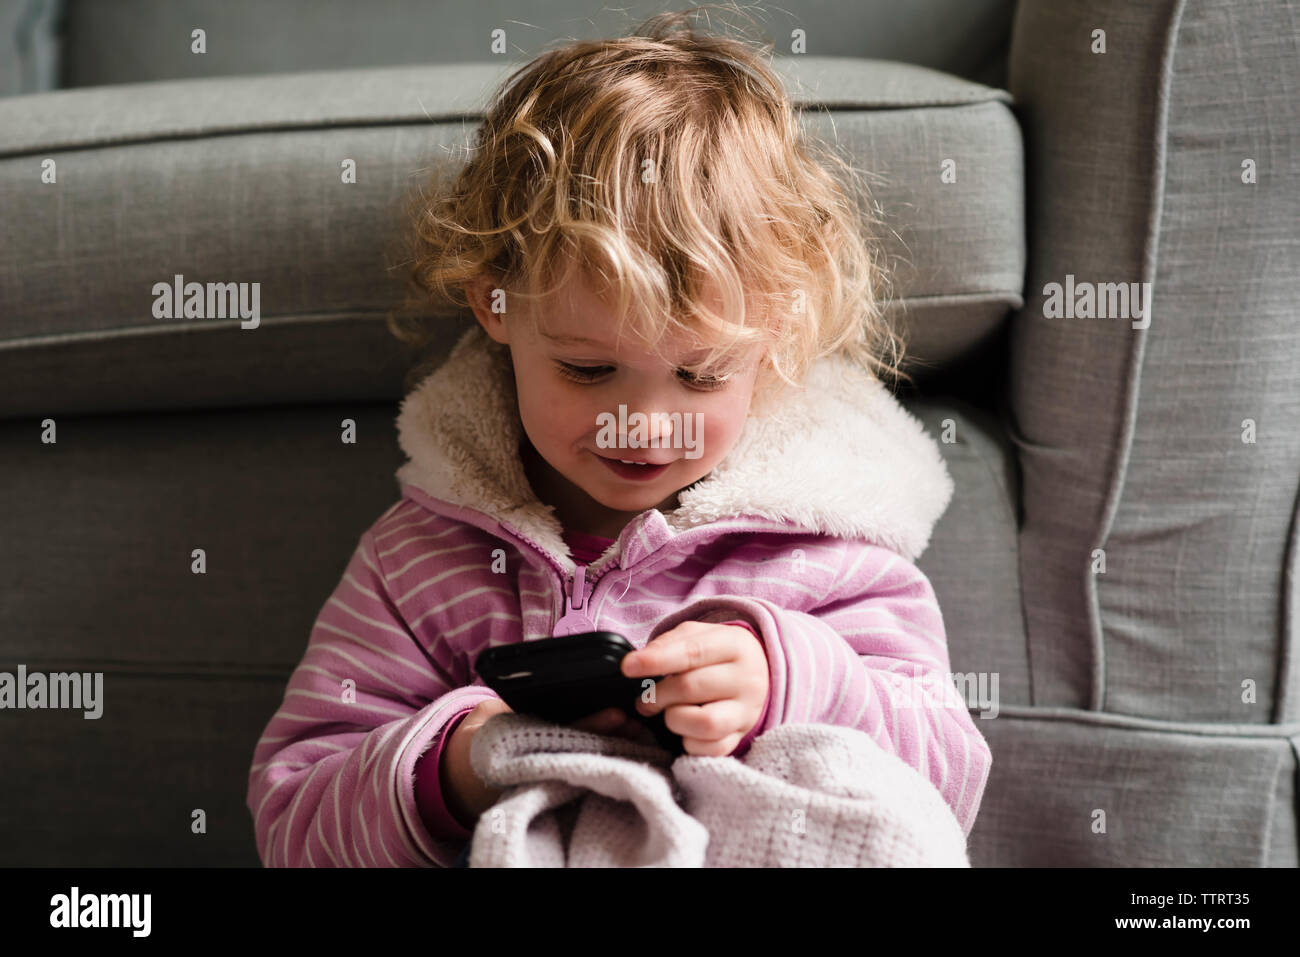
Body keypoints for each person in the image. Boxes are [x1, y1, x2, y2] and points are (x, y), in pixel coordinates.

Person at [246, 7, 991, 868]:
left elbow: (946, 784)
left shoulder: (831, 554)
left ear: (779, 330)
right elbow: (295, 818)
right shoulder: (419, 561)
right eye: (590, 372)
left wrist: (789, 678)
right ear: (495, 303)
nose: (642, 421)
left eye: (702, 375)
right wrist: (461, 760)